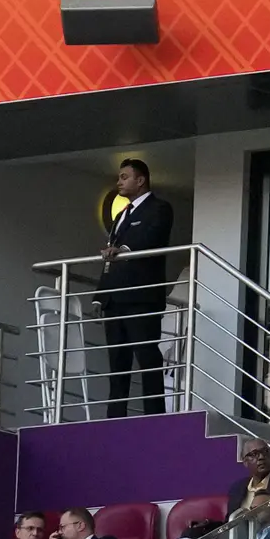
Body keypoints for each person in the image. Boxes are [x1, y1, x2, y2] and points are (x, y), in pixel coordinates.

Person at [94, 157, 180, 414]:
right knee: (117, 363)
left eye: (124, 177)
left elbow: (151, 238)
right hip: (115, 300)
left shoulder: (159, 208)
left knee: (146, 356)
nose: (119, 182)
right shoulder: (121, 214)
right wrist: (100, 295)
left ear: (140, 180)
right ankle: (114, 418)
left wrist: (125, 250)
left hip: (142, 297)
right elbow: (110, 258)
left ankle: (154, 415)